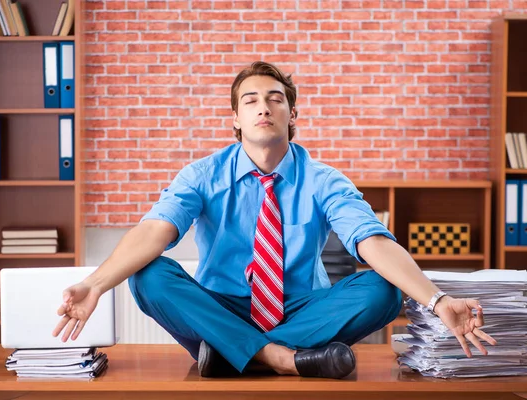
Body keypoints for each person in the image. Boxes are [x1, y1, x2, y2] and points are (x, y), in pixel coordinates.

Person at [53, 61, 497, 379]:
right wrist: (95, 284)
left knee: (383, 289)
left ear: (292, 116)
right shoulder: (203, 174)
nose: (263, 106)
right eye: (251, 100)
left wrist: (438, 302)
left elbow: (371, 241)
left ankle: (236, 356)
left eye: (275, 98)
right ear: (236, 119)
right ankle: (284, 359)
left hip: (301, 309)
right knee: (149, 277)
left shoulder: (324, 180)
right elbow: (155, 230)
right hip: (220, 308)